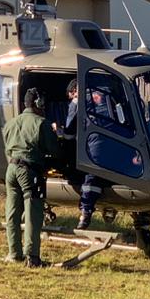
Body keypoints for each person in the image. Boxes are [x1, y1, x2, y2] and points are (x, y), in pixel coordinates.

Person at [2, 88, 59, 267]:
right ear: (38, 103)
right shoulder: (41, 124)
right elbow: (55, 151)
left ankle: (14, 253)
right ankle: (32, 256)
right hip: (30, 170)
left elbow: (7, 147)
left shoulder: (11, 123)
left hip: (11, 169)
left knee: (12, 212)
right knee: (33, 212)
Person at [56, 79, 103, 229]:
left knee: (88, 178)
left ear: (75, 91)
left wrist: (59, 132)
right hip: (105, 146)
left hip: (90, 147)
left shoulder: (77, 103)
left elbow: (69, 133)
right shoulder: (102, 96)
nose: (71, 99)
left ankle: (85, 213)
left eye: (71, 95)